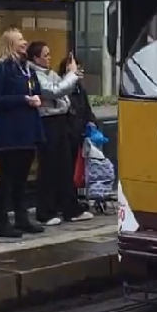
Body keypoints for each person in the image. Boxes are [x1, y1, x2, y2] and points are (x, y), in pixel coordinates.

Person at [0, 27, 46, 238]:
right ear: (10, 43)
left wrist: (37, 97)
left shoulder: (27, 68)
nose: (24, 42)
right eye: (20, 39)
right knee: (7, 177)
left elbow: (36, 89)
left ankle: (21, 218)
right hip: (9, 132)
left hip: (28, 130)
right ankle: (2, 222)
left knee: (22, 177)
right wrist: (22, 100)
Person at [27, 43, 93, 225]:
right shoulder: (34, 74)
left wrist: (69, 81)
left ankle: (69, 208)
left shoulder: (50, 73)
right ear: (35, 58)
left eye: (49, 55)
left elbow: (64, 91)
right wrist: (71, 75)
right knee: (49, 167)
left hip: (61, 120)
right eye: (45, 55)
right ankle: (45, 211)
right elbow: (55, 91)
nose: (49, 58)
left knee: (65, 166)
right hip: (47, 121)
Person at [58, 56, 100, 210]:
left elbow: (86, 109)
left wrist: (93, 123)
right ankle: (66, 203)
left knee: (76, 170)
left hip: (79, 133)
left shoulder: (79, 89)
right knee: (67, 170)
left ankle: (72, 200)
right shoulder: (64, 88)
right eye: (77, 68)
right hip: (67, 133)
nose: (80, 72)